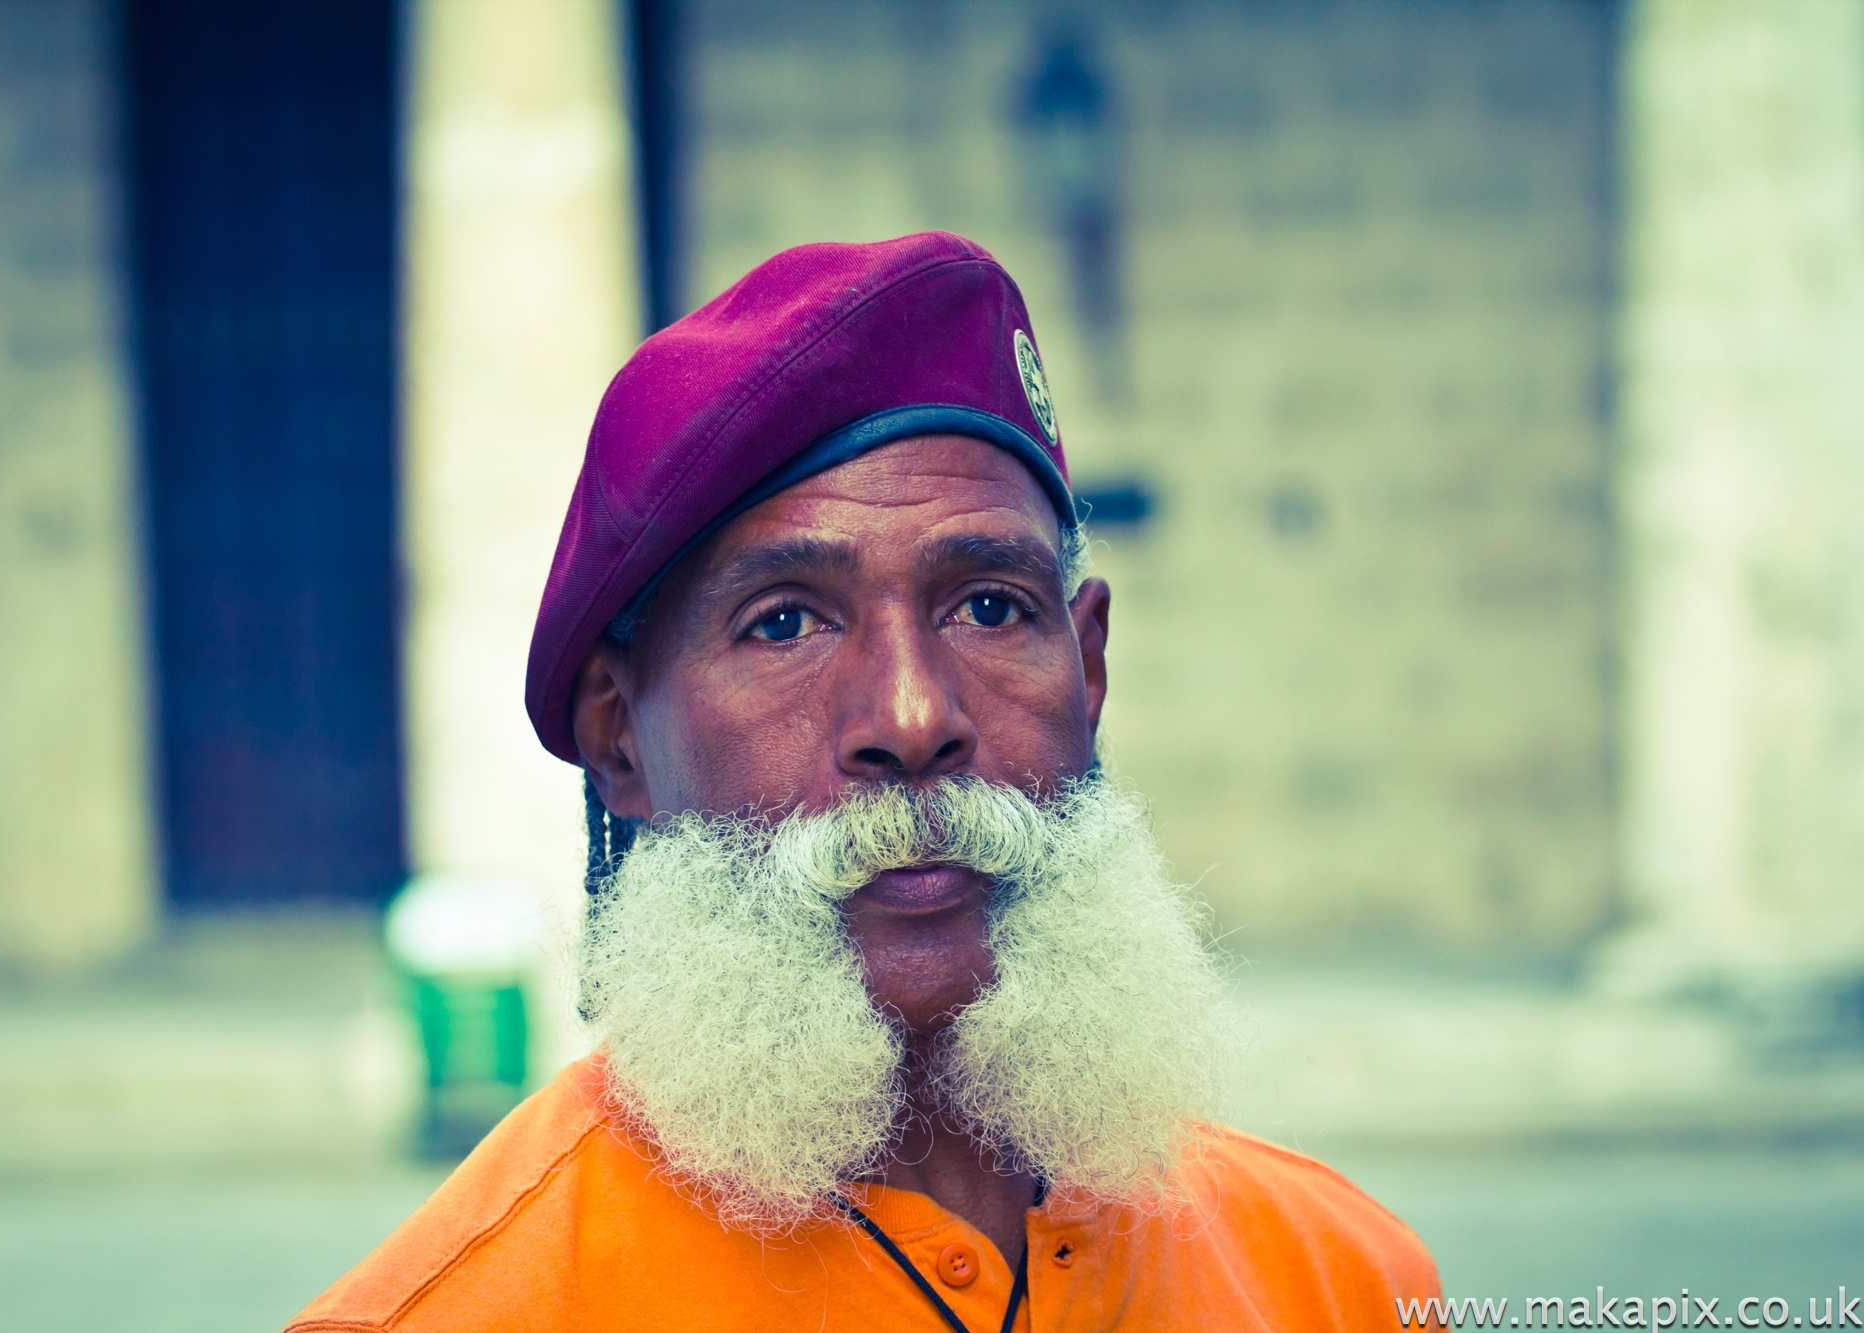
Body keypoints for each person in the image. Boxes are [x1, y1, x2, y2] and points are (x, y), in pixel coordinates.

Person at [286, 232, 1440, 1331]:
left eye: (989, 606)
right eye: (784, 622)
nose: (911, 718)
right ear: (617, 737)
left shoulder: (1346, 1278)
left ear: (1087, 667)